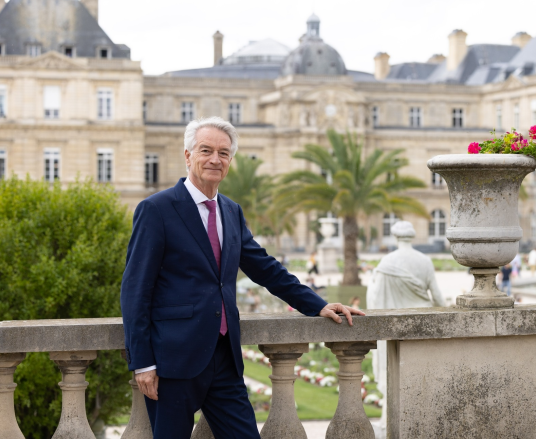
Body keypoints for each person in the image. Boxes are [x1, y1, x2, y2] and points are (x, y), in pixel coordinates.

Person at [120, 117, 365, 439]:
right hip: (172, 361)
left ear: (230, 161)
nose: (214, 159)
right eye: (206, 150)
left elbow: (264, 267)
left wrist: (316, 304)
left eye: (223, 153)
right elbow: (135, 290)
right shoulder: (157, 209)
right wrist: (143, 363)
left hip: (224, 358)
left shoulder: (230, 210)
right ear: (188, 155)